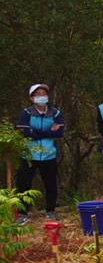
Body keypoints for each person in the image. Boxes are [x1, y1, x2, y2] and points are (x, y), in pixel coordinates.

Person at [15, 83, 63, 222]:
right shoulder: (27, 113)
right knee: (24, 184)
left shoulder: (55, 113)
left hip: (49, 154)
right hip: (29, 154)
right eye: (38, 94)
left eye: (44, 94)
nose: (41, 97)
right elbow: (26, 133)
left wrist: (36, 132)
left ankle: (51, 210)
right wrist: (49, 132)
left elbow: (59, 132)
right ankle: (23, 214)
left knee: (50, 184)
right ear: (31, 98)